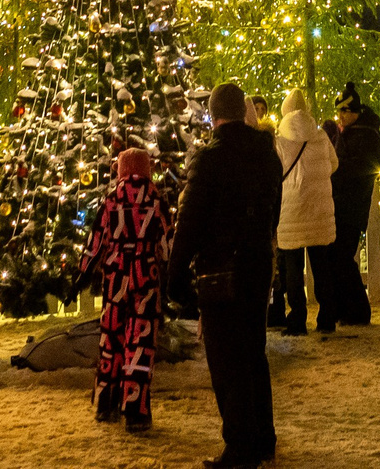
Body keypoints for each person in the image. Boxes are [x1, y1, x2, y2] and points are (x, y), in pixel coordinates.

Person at [169, 82, 283, 469]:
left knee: (225, 359)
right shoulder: (267, 154)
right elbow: (274, 209)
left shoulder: (209, 159)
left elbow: (190, 222)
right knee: (253, 352)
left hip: (221, 269)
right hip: (257, 263)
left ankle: (240, 446)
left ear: (212, 115)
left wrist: (176, 274)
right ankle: (263, 438)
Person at [85, 148, 172, 432]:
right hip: (145, 275)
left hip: (115, 277)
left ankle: (105, 403)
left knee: (111, 339)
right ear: (147, 169)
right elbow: (169, 242)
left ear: (121, 170)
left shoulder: (111, 200)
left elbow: (96, 240)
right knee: (140, 343)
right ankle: (136, 411)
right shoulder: (156, 200)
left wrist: (84, 270)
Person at [269, 86, 337, 336]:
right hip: (319, 210)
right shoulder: (320, 136)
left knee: (293, 269)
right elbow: (334, 164)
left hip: (291, 211)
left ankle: (297, 320)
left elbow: (275, 173)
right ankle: (327, 317)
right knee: (321, 267)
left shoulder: (279, 140)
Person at [315, 84, 380, 334]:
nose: (341, 116)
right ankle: (347, 309)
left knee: (341, 257)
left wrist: (335, 161)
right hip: (340, 204)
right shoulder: (350, 133)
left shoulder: (366, 135)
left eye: (345, 112)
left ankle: (358, 310)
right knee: (337, 258)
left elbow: (355, 168)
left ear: (355, 112)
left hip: (351, 206)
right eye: (339, 112)